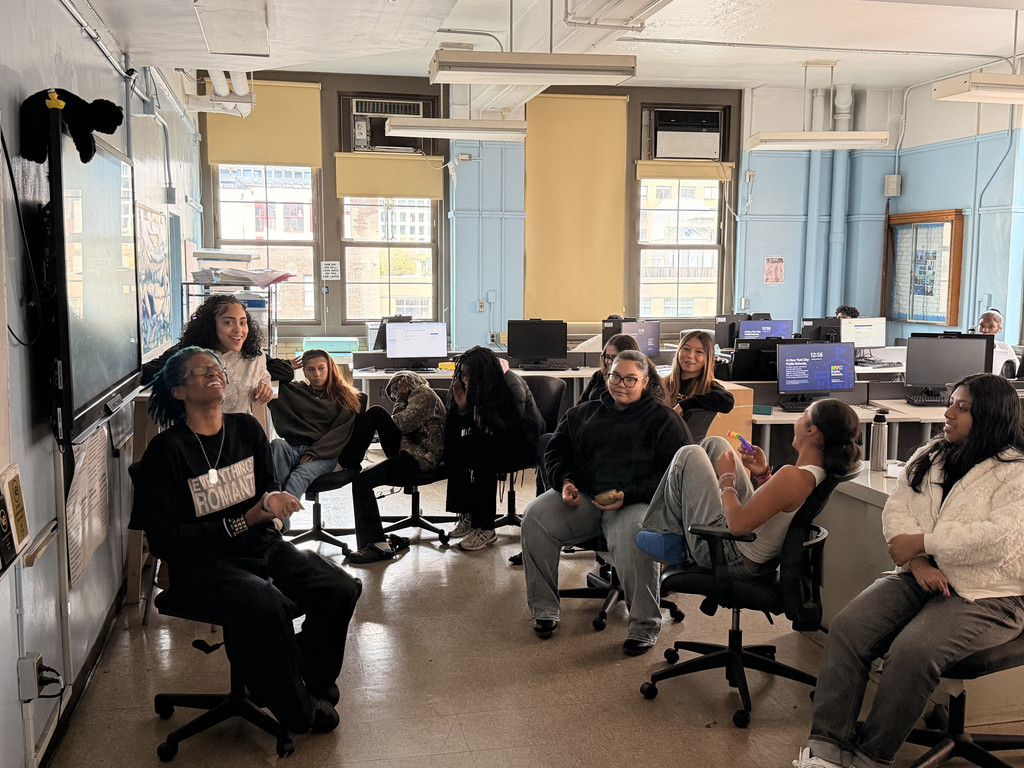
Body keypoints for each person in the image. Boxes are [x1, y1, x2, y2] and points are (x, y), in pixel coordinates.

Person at [793, 373, 1024, 768]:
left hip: (990, 593)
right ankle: (827, 752)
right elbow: (898, 509)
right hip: (922, 575)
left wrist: (925, 544)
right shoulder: (932, 454)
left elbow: (1001, 539)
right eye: (951, 402)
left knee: (912, 651)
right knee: (849, 629)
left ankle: (870, 756)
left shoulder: (1015, 470)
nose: (947, 412)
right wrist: (916, 562)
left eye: (962, 407)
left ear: (990, 416)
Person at [130, 346, 361, 735]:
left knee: (339, 587)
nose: (214, 373)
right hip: (202, 566)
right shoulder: (166, 451)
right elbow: (165, 540)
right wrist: (242, 522)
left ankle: (303, 677)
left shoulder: (246, 430)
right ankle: (297, 709)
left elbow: (266, 485)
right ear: (179, 392)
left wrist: (271, 500)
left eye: (216, 367)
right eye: (200, 372)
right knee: (266, 604)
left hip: (259, 548)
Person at [521, 350, 692, 655]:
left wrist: (629, 494)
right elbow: (555, 452)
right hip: (584, 498)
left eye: (630, 379)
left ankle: (643, 625)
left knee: (635, 533)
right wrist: (566, 481)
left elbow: (675, 476)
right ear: (606, 376)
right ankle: (544, 610)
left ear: (646, 381)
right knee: (535, 517)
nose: (621, 384)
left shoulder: (664, 421)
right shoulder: (584, 413)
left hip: (634, 502)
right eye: (615, 376)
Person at [636, 398, 861, 576]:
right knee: (716, 443)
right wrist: (763, 474)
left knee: (690, 453)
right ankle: (676, 534)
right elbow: (778, 508)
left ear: (813, 431)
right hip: (743, 544)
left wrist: (726, 476)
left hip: (729, 554)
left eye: (803, 415)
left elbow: (737, 525)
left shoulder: (794, 477)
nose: (798, 420)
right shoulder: (810, 474)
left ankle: (671, 537)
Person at [445, 347, 545, 552]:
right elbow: (466, 426)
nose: (464, 378)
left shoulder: (510, 385)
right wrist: (462, 409)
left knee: (484, 455)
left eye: (467, 374)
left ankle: (486, 528)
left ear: (481, 373)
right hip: (494, 440)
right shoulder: (479, 384)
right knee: (456, 449)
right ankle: (468, 513)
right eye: (463, 374)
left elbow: (511, 429)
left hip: (524, 445)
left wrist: (475, 411)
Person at [344, 371, 447, 564]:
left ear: (406, 384)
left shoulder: (424, 394)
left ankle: (378, 546)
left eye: (396, 390)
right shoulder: (418, 397)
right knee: (375, 414)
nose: (395, 395)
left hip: (421, 458)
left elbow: (400, 424)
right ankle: (371, 544)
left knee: (362, 480)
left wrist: (399, 400)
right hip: (409, 451)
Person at [142, 295, 280, 415]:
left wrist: (264, 388)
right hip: (194, 434)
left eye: (243, 322)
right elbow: (146, 373)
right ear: (211, 325)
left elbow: (263, 376)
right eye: (228, 322)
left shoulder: (255, 356)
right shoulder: (190, 354)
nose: (238, 329)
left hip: (236, 431)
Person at [269, 349, 364, 503]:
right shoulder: (293, 390)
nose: (317, 374)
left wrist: (314, 453)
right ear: (304, 372)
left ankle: (278, 521)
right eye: (311, 369)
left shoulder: (345, 396)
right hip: (292, 449)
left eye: (321, 368)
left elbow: (339, 434)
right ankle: (272, 506)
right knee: (277, 444)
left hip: (324, 454)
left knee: (298, 476)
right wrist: (287, 365)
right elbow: (260, 373)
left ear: (330, 368)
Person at [662, 330, 735, 418]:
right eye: (686, 349)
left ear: (707, 358)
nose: (690, 355)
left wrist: (683, 405)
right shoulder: (663, 384)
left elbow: (727, 401)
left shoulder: (708, 387)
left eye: (699, 352)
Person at [577, 333, 639, 404]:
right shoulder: (599, 376)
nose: (609, 361)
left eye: (614, 357)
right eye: (607, 356)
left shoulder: (634, 382)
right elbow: (580, 404)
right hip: (591, 414)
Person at [976, 308, 1019, 377]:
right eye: (982, 326)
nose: (985, 330)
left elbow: (1017, 372)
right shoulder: (968, 345)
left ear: (998, 329)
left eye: (991, 327)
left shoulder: (1005, 348)